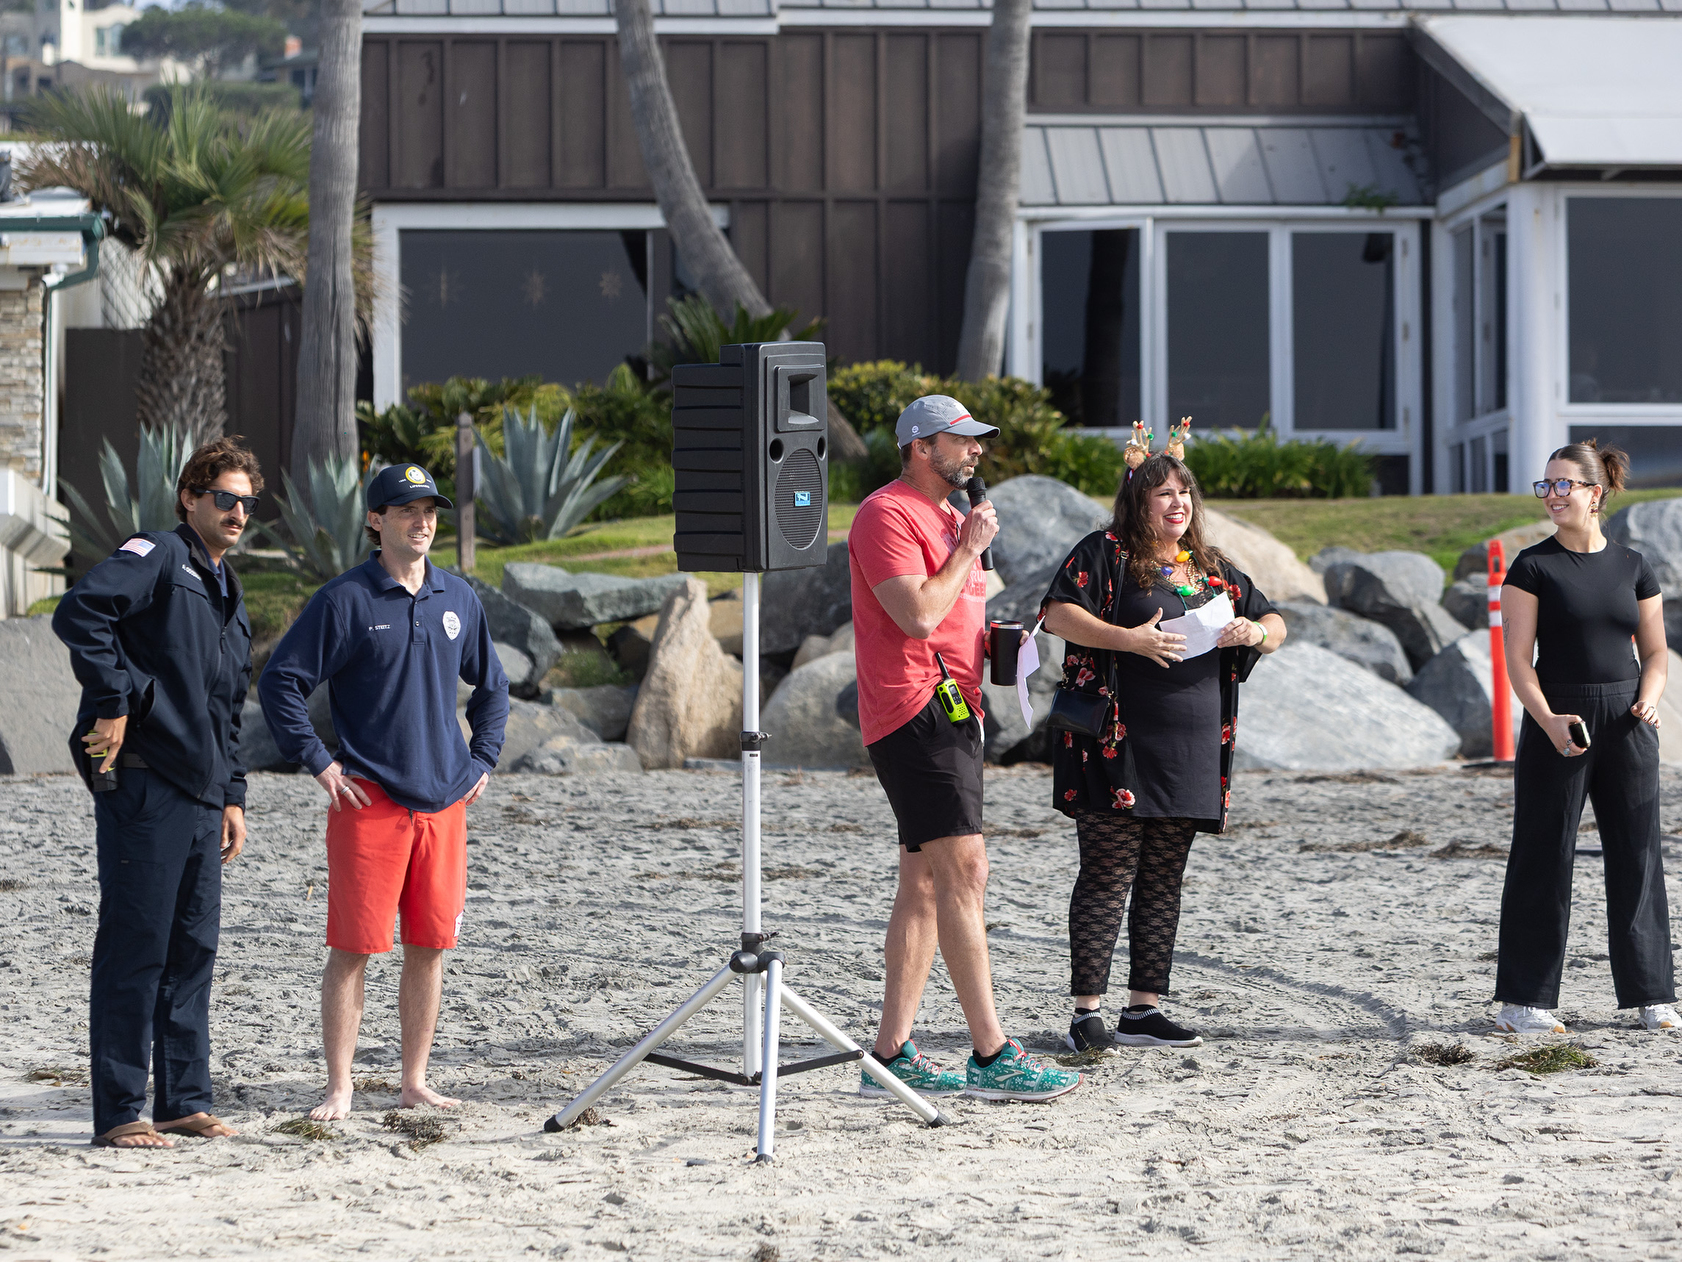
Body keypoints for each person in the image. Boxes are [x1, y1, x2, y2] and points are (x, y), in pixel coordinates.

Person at [258, 463, 510, 1120]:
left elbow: (494, 686)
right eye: (406, 510)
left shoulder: (459, 599)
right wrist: (317, 761)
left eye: (429, 510)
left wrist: (483, 756)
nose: (422, 522)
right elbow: (280, 681)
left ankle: (414, 1081)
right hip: (369, 803)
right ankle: (339, 1086)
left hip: (445, 803)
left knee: (428, 948)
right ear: (376, 520)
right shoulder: (345, 600)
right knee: (354, 948)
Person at [849, 394, 1082, 1103]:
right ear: (922, 447)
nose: (977, 452)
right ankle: (991, 1052)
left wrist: (1000, 644)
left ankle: (891, 1054)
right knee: (966, 871)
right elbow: (917, 613)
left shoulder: (952, 517)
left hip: (955, 705)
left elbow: (952, 617)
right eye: (964, 441)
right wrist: (969, 550)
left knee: (923, 882)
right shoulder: (886, 514)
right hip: (914, 707)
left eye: (979, 441)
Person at [52, 436, 264, 1148]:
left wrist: (233, 796)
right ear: (190, 498)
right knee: (135, 947)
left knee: (191, 951)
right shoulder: (158, 557)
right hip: (143, 781)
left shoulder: (229, 593)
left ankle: (181, 1101)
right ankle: (118, 1111)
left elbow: (227, 709)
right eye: (223, 498)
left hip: (205, 800)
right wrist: (113, 699)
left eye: (246, 502)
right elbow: (80, 612)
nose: (236, 512)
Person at [1040, 452, 1284, 1054]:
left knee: (1163, 879)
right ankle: (1086, 1012)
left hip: (1193, 746)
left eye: (1184, 494)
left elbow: (1274, 620)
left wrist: (1254, 633)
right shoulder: (1105, 552)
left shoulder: (1209, 567)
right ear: (1137, 502)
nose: (1178, 504)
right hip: (1116, 741)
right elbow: (1057, 613)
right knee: (1106, 874)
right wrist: (1128, 639)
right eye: (1163, 495)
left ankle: (1143, 1010)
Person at [1495, 439, 1677, 1035]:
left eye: (1562, 485)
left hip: (1628, 719)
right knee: (1543, 853)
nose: (1551, 496)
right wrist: (1547, 719)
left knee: (1639, 853)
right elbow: (1519, 661)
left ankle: (1652, 995)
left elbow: (1654, 650)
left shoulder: (1633, 564)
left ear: (1594, 494)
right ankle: (1525, 1000)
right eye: (1544, 486)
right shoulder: (1531, 566)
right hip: (1558, 717)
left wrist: (1647, 702)